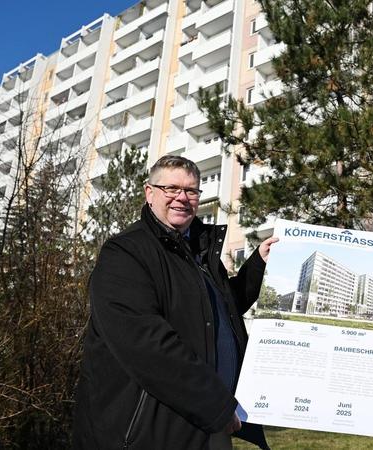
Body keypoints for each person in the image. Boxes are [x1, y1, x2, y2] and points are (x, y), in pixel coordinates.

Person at [73, 155, 277, 449]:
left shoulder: (198, 255)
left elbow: (223, 311)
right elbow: (147, 345)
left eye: (191, 191)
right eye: (171, 189)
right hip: (148, 432)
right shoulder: (125, 253)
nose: (181, 198)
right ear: (149, 192)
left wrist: (257, 263)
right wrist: (216, 405)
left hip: (206, 424)